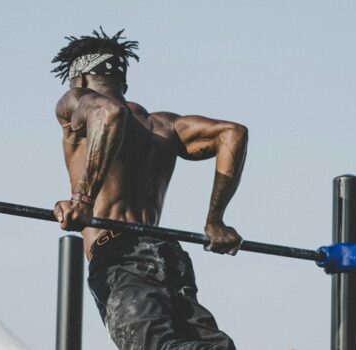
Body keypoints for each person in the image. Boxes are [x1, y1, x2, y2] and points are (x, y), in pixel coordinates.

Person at [52, 28, 247, 350]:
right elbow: (232, 133)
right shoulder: (164, 125)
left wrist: (82, 199)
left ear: (80, 79)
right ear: (122, 82)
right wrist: (216, 220)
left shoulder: (77, 101)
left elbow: (108, 112)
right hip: (168, 255)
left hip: (118, 255)